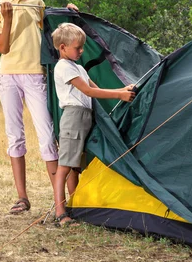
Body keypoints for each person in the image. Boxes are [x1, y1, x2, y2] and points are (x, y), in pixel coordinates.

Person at [0, 0, 78, 215]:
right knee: (15, 137)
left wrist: (67, 13)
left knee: (47, 136)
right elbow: (3, 48)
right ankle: (22, 198)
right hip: (7, 76)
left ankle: (61, 203)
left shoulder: (36, 2)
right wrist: (7, 19)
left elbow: (54, 34)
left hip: (34, 74)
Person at [51, 22, 136, 226]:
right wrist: (119, 95)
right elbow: (88, 92)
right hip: (73, 117)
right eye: (77, 48)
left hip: (86, 117)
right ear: (62, 48)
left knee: (76, 166)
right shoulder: (63, 67)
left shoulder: (78, 67)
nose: (81, 51)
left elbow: (96, 89)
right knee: (65, 165)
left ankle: (76, 203)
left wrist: (123, 89)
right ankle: (60, 211)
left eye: (82, 47)